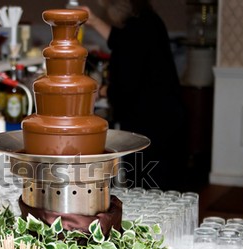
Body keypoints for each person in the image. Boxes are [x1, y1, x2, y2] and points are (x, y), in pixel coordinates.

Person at [80, 0, 187, 191]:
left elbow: (125, 87)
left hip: (150, 124)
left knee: (147, 185)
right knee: (164, 183)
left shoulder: (135, 30)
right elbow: (119, 41)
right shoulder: (148, 21)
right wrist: (94, 20)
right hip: (168, 119)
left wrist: (101, 90)